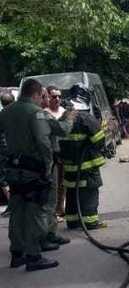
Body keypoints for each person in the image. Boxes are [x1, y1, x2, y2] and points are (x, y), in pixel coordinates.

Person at [0, 79, 60, 270]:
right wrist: (48, 167)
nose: (42, 99)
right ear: (34, 94)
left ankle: (17, 254)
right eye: (41, 95)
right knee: (34, 211)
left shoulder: (5, 112)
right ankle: (33, 256)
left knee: (17, 211)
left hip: (13, 169)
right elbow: (43, 142)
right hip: (33, 170)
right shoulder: (35, 113)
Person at [59, 95, 107, 230]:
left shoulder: (62, 120)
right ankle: (90, 222)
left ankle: (72, 221)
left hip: (69, 166)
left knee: (72, 193)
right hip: (87, 166)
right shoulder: (86, 118)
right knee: (89, 193)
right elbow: (99, 141)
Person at [44, 86, 67, 222]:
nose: (57, 99)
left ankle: (60, 208)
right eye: (53, 96)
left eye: (59, 96)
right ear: (48, 97)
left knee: (64, 182)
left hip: (64, 153)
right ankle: (52, 212)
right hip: (51, 153)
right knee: (53, 183)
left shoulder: (64, 112)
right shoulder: (44, 113)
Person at [0, 92, 15, 217]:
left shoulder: (2, 116)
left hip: (3, 152)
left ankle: (12, 206)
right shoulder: (20, 115)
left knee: (3, 179)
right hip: (17, 151)